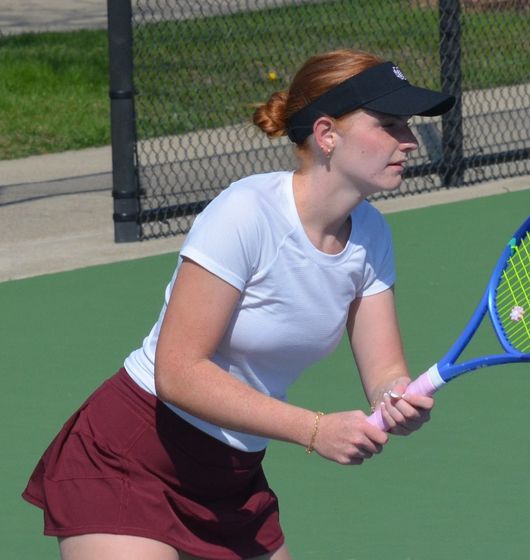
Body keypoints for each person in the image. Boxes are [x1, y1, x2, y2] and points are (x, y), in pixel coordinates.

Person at [22, 49, 455, 560]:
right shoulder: (245, 214)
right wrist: (314, 430)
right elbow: (178, 373)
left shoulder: (371, 236)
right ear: (327, 134)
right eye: (388, 124)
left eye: (407, 125)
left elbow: (385, 370)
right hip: (132, 456)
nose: (408, 141)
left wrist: (397, 399)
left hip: (231, 480)